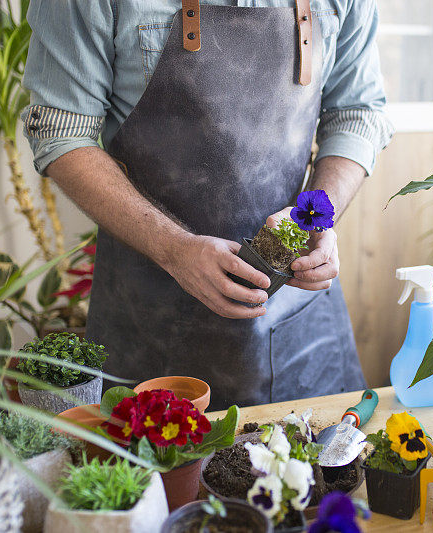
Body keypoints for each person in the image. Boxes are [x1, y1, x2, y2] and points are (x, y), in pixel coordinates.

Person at [21, 0, 393, 410]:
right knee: (155, 472)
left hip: (300, 324)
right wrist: (174, 249)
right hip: (152, 321)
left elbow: (355, 113)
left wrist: (316, 213)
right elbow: (63, 131)